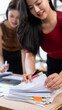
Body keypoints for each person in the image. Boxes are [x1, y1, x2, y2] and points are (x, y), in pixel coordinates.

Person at [17, 0, 62, 90]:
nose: (36, 10)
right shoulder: (32, 26)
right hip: (52, 65)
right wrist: (31, 74)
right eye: (31, 8)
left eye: (38, 3)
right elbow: (30, 55)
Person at [0, 0, 23, 74]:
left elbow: (25, 52)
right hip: (4, 56)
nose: (14, 20)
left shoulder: (24, 28)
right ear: (7, 14)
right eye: (11, 16)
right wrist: (2, 65)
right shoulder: (1, 27)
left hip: (20, 57)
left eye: (18, 17)